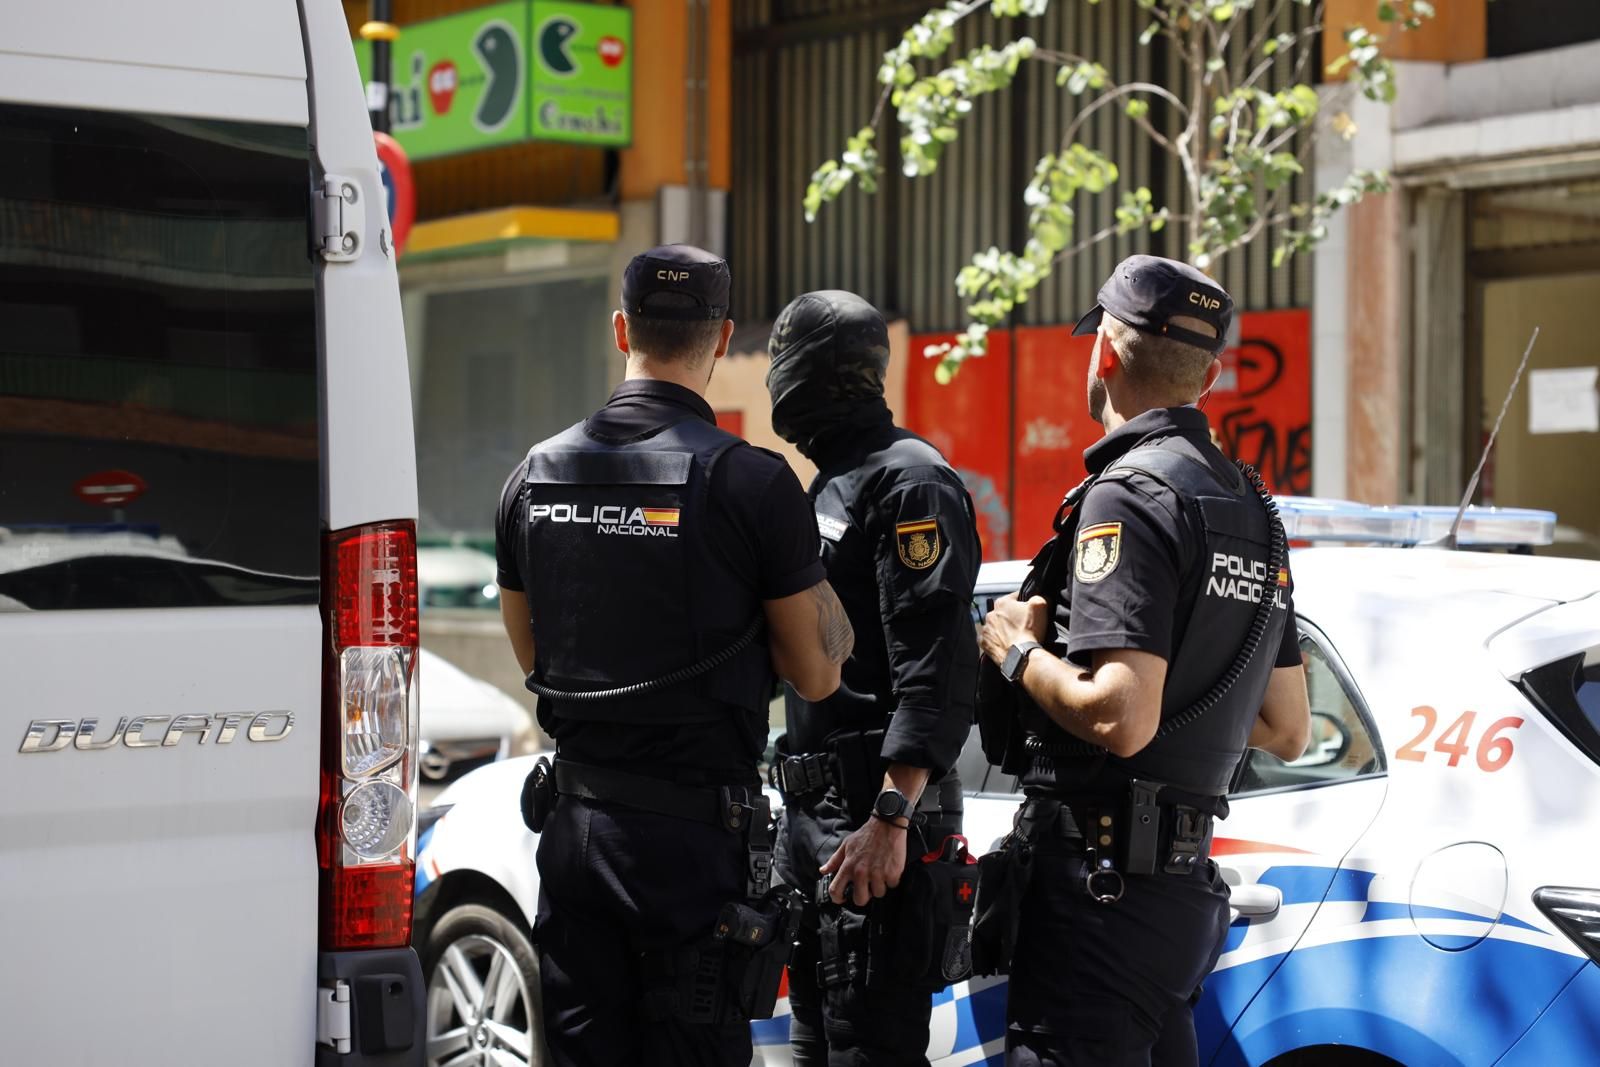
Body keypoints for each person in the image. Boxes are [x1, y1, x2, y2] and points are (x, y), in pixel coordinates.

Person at [494, 245, 856, 1067]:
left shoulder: (532, 477)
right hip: (693, 849)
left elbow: (534, 654)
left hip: (578, 831)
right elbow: (819, 671)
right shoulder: (754, 485)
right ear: (722, 338)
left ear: (621, 328)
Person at [976, 255, 1311, 1066]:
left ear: (1106, 355)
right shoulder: (1252, 511)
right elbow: (1288, 726)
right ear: (1212, 372)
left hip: (1098, 896)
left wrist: (1016, 650)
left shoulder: (1126, 495)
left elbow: (1122, 715)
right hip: (1174, 907)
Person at [764, 290, 982, 1066]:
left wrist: (892, 814)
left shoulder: (909, 481)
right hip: (819, 816)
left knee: (871, 1048)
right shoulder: (827, 484)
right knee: (813, 1043)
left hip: (877, 814)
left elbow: (938, 662)